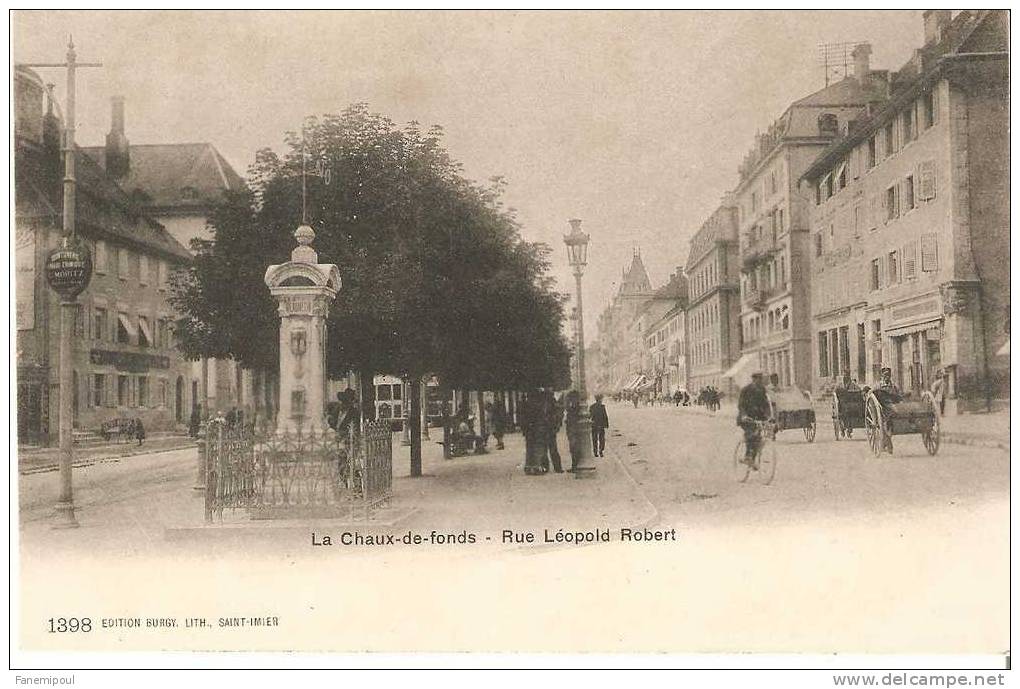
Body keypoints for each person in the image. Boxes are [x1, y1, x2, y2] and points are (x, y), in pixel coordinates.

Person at [737, 372, 772, 466]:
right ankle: (747, 457)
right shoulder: (745, 390)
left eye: (761, 379)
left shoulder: (762, 390)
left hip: (757, 417)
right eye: (758, 379)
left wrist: (769, 416)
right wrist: (744, 415)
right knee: (751, 434)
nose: (760, 381)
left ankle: (752, 460)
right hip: (745, 418)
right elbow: (741, 405)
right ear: (753, 379)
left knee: (759, 438)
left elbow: (765, 404)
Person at [541, 390, 564, 473]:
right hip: (549, 429)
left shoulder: (548, 404)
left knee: (546, 449)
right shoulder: (552, 403)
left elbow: (557, 416)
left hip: (548, 428)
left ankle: (546, 467)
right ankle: (557, 468)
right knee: (552, 449)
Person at [589, 393, 609, 457]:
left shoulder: (592, 407)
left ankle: (595, 452)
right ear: (600, 399)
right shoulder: (602, 407)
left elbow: (589, 416)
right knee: (602, 439)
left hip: (594, 424)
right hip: (601, 425)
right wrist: (606, 424)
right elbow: (605, 416)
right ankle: (601, 450)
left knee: (594, 439)